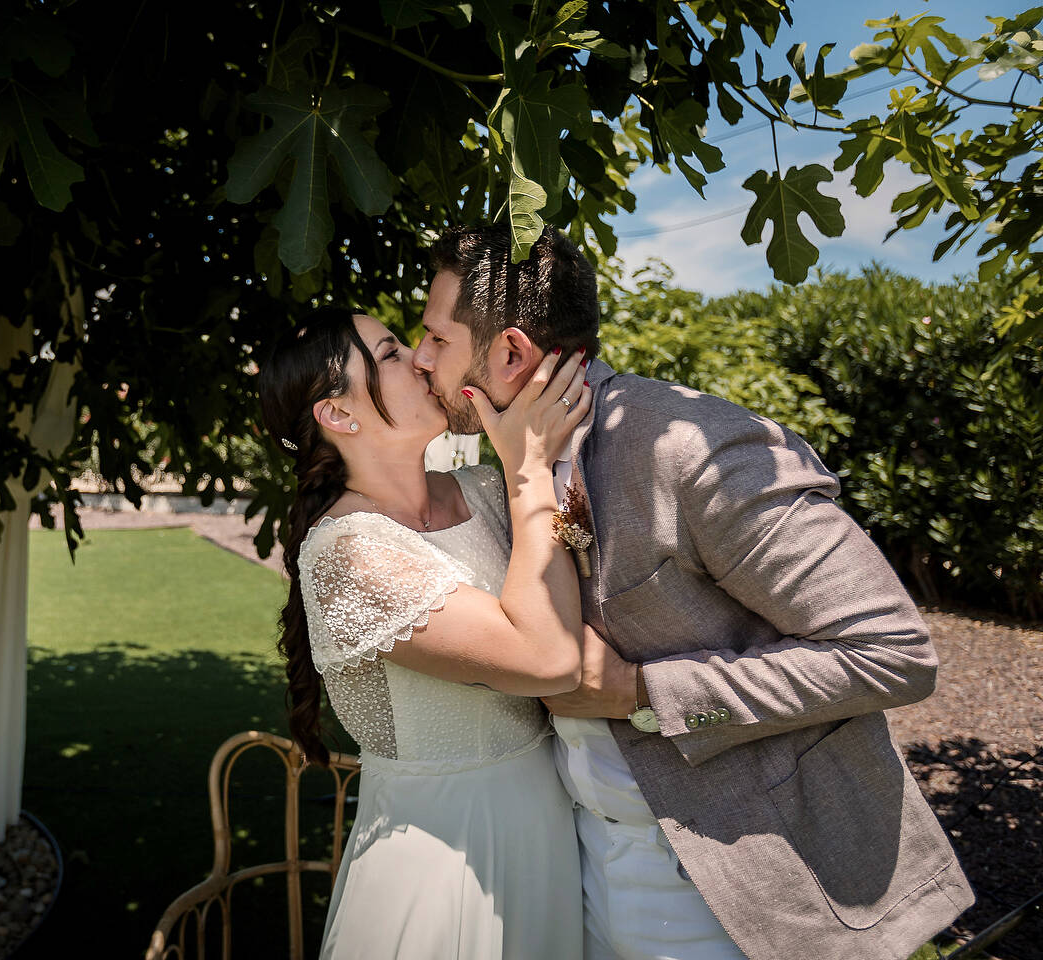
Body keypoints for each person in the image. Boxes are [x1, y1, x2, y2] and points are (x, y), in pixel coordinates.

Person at [411, 221, 974, 960]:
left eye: (436, 338)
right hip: (573, 871)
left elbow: (893, 653)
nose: (420, 358)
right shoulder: (505, 475)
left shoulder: (691, 450)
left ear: (510, 351)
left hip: (734, 882)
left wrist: (640, 691)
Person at [258, 306, 594, 959]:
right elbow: (548, 659)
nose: (418, 358)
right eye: (387, 354)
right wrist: (528, 469)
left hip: (549, 831)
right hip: (448, 858)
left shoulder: (484, 493)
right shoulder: (347, 557)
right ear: (338, 415)